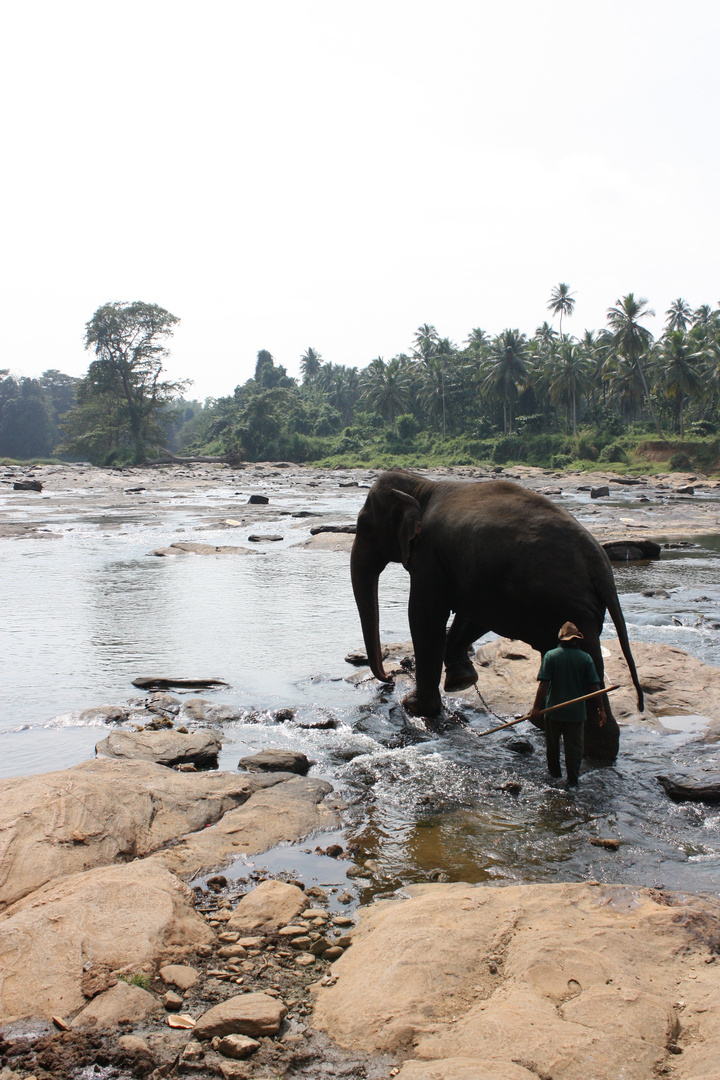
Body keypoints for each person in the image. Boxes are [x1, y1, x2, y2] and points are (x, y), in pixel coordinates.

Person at [530, 621, 606, 787]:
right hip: (576, 714)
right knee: (574, 751)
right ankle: (572, 782)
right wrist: (601, 709)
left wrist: (536, 707)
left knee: (553, 748)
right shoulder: (585, 658)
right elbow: (595, 686)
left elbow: (544, 684)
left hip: (553, 712)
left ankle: (554, 779)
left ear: (562, 639)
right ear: (577, 639)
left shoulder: (551, 655)